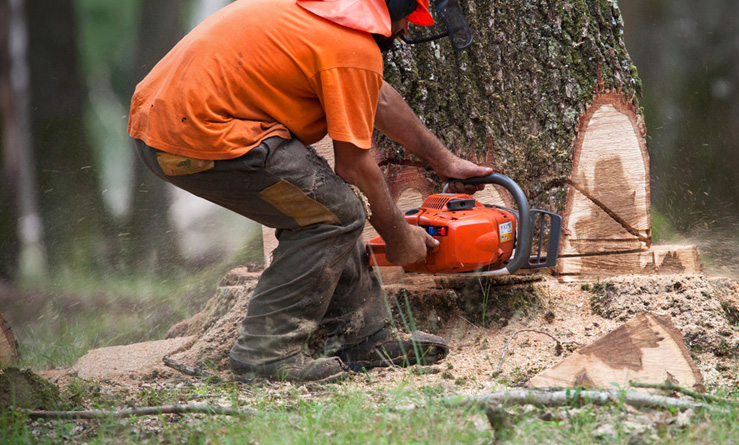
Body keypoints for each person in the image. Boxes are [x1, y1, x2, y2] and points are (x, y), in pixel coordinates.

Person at [127, 0, 492, 382]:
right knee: (335, 213)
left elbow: (378, 96)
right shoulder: (351, 47)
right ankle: (264, 353)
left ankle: (361, 336)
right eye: (403, 21)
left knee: (327, 205)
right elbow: (354, 167)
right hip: (201, 135)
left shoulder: (319, 19)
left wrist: (443, 160)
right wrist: (399, 236)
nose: (402, 31)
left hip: (159, 130)